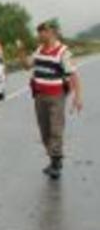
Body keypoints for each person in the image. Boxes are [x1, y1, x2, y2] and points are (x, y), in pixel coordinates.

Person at [18, 19, 84, 180]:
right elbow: (27, 65)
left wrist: (78, 97)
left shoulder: (63, 52)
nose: (40, 35)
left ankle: (56, 162)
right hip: (39, 96)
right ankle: (53, 159)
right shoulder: (39, 49)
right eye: (39, 32)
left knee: (56, 129)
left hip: (56, 96)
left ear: (52, 33)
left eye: (43, 31)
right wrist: (20, 51)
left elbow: (73, 74)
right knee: (44, 130)